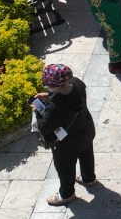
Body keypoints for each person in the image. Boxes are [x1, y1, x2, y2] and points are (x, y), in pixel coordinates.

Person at [33, 63, 99, 206]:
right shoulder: (78, 84)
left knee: (65, 167)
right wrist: (49, 95)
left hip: (67, 143)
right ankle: (89, 178)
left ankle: (67, 194)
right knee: (87, 155)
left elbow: (44, 128)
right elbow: (67, 95)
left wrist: (37, 110)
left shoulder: (55, 106)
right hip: (86, 130)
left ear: (53, 86)